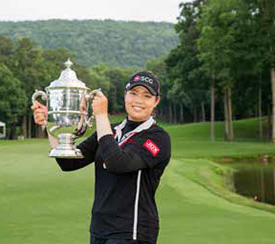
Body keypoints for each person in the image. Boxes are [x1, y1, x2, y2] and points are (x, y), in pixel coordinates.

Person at [32, 71, 171, 244]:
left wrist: (100, 115)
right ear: (125, 95)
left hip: (132, 231)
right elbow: (67, 163)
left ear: (156, 101)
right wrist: (51, 125)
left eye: (147, 96)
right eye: (133, 93)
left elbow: (117, 163)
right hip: (100, 229)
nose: (138, 100)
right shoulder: (110, 130)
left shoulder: (157, 137)